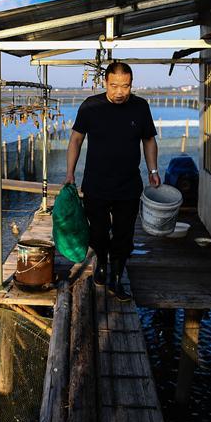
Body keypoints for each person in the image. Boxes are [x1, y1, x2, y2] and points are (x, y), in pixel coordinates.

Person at [66, 62, 159, 302]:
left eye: (125, 86)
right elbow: (76, 140)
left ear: (131, 84)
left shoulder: (140, 107)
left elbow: (149, 140)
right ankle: (101, 261)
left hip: (128, 185)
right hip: (96, 183)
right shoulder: (91, 106)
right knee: (98, 232)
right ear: (105, 83)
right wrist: (70, 174)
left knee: (123, 235)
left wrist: (153, 170)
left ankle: (116, 278)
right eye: (114, 85)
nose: (120, 92)